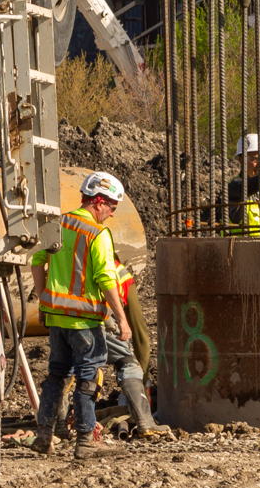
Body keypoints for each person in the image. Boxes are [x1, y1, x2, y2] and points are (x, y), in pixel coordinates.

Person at [30, 171, 131, 459]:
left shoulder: (56, 224)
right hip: (85, 322)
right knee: (88, 378)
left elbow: (37, 259)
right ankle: (86, 439)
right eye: (112, 207)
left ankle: (43, 434)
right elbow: (106, 279)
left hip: (56, 320)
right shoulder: (98, 234)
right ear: (98, 202)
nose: (111, 214)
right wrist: (122, 320)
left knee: (56, 376)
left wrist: (43, 297)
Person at [104, 251, 168, 436]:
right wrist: (144, 374)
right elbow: (139, 330)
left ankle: (54, 424)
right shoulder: (119, 272)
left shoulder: (75, 264)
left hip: (65, 322)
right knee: (129, 365)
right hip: (100, 321)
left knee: (67, 370)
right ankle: (144, 420)